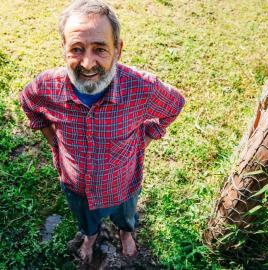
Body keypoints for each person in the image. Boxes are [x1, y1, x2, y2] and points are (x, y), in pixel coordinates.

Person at [19, 0, 185, 263]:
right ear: (64, 49)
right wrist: (49, 135)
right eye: (76, 49)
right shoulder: (45, 87)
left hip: (123, 184)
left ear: (118, 50)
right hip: (76, 185)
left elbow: (175, 104)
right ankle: (90, 236)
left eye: (100, 49)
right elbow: (28, 102)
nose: (87, 63)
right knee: (86, 219)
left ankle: (125, 233)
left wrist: (148, 136)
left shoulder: (142, 89)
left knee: (126, 216)